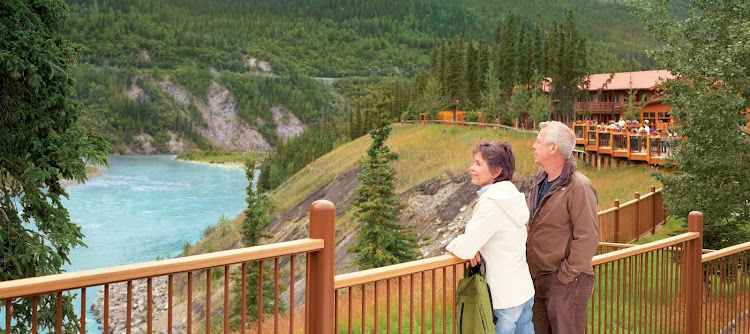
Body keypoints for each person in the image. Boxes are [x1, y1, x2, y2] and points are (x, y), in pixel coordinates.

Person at [447, 141, 534, 334]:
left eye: (478, 163)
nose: (472, 168)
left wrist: (451, 244)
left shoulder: (492, 203)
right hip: (524, 291)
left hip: (503, 297)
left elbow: (466, 248)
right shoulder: (513, 197)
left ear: (496, 172)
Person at [527, 121, 599, 334]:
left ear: (553, 147)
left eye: (538, 141)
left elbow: (588, 237)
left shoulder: (579, 186)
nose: (533, 146)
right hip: (539, 280)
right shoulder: (540, 181)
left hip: (566, 281)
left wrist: (565, 277)